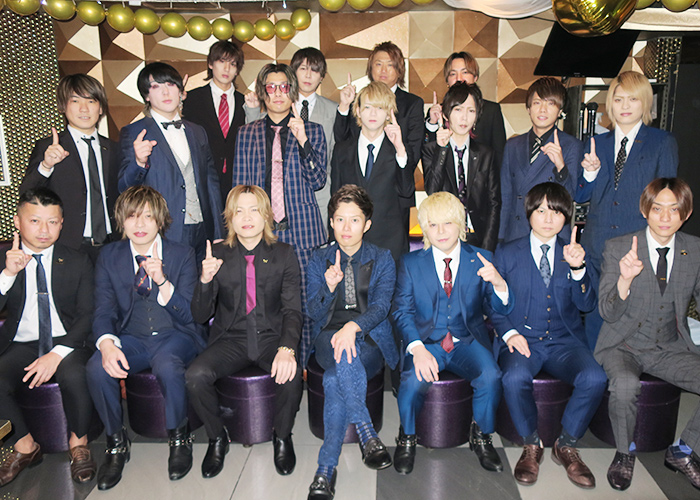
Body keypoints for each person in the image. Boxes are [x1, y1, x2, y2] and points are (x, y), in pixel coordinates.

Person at [86, 185, 205, 489]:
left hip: (176, 334)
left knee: (167, 363)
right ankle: (116, 443)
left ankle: (179, 438)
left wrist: (163, 281)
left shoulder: (181, 254)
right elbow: (103, 309)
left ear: (160, 220)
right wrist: (107, 344)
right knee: (97, 367)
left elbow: (191, 315)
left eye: (148, 217)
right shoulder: (109, 256)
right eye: (132, 216)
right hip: (133, 337)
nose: (139, 225)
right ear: (121, 220)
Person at [492, 182, 606, 488]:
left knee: (595, 377)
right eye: (541, 210)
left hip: (563, 340)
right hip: (523, 338)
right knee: (513, 378)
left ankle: (566, 443)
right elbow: (492, 304)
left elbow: (587, 304)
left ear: (565, 217)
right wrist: (509, 334)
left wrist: (579, 269)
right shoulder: (507, 252)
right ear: (529, 213)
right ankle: (532, 443)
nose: (548, 218)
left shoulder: (573, 252)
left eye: (556, 212)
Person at [186, 185, 303, 479]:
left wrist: (287, 348)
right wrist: (205, 280)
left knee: (291, 375)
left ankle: (282, 436)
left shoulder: (284, 254)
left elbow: (292, 310)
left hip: (270, 337)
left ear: (266, 216)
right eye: (239, 211)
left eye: (253, 210)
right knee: (195, 376)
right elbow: (200, 315)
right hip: (231, 339)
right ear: (230, 217)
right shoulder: (218, 254)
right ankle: (217, 437)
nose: (246, 217)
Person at [392, 191, 513, 475]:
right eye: (433, 224)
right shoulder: (410, 263)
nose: (441, 231)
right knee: (410, 382)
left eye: (448, 223)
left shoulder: (481, 259)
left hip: (466, 340)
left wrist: (499, 283)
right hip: (427, 341)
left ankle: (481, 435)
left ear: (461, 224)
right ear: (424, 228)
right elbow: (402, 312)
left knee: (491, 376)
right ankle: (407, 436)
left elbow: (497, 309)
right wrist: (417, 349)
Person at [596, 178, 700, 492]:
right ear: (645, 211)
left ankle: (684, 450)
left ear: (686, 213)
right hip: (623, 344)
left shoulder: (695, 250)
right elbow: (606, 312)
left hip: (669, 345)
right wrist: (624, 280)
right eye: (657, 209)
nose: (665, 217)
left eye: (674, 209)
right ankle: (624, 453)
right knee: (625, 385)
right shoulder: (619, 247)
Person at [305, 185, 399, 500]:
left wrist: (353, 327)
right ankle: (366, 432)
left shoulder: (382, 258)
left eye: (355, 220)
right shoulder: (318, 258)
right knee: (341, 351)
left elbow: (381, 307)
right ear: (331, 222)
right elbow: (313, 312)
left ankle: (325, 471)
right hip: (327, 338)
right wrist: (329, 287)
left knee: (335, 379)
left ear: (367, 224)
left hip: (369, 339)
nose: (346, 227)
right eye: (340, 219)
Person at [232, 63, 327, 364]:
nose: (277, 93)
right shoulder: (247, 133)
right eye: (270, 87)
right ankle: (276, 366)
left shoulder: (312, 130)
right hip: (262, 233)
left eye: (284, 87)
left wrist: (303, 141)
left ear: (292, 92)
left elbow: (318, 180)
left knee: (306, 304)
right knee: (266, 302)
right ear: (263, 92)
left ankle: (305, 367)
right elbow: (240, 188)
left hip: (303, 233)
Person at [0, 188, 95, 486]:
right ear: (18, 222)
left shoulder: (78, 260)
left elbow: (87, 315)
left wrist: (56, 354)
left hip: (67, 342)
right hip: (21, 342)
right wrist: (8, 274)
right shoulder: (3, 258)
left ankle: (79, 444)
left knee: (75, 375)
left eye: (52, 222)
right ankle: (25, 446)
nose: (44, 230)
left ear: (62, 223)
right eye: (35, 221)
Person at [576, 71, 678, 349]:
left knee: (633, 326)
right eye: (618, 99)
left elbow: (667, 201)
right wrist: (590, 174)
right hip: (597, 246)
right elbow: (580, 196)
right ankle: (595, 371)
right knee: (595, 319)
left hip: (637, 248)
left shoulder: (662, 142)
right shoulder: (596, 143)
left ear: (645, 103)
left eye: (633, 99)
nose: (624, 106)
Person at [118, 62, 223, 263]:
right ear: (146, 95)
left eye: (171, 84)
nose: (166, 92)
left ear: (180, 91)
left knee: (203, 282)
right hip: (162, 230)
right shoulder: (133, 132)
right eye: (156, 86)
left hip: (203, 229)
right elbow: (124, 188)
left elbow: (211, 183)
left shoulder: (197, 131)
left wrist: (218, 231)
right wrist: (139, 162)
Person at [20, 74, 119, 262]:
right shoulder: (49, 147)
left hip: (112, 246)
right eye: (75, 101)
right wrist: (46, 165)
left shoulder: (114, 148)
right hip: (69, 247)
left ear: (100, 108)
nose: (84, 108)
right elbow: (26, 193)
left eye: (91, 101)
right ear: (63, 106)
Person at [334, 41, 423, 233]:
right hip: (355, 206)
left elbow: (413, 153)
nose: (383, 70)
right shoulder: (358, 100)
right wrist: (344, 107)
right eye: (378, 64)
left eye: (390, 64)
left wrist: (398, 153)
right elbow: (342, 142)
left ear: (399, 70)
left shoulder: (412, 103)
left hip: (394, 200)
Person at [244, 47, 338, 225]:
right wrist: (253, 110)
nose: (308, 75)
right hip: (276, 200)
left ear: (322, 76)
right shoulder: (275, 106)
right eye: (303, 69)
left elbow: (335, 155)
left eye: (315, 70)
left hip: (318, 195)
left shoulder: (334, 110)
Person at [330, 81, 414, 261]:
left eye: (379, 108)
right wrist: (333, 241)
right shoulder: (342, 150)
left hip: (390, 244)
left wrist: (400, 151)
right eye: (367, 107)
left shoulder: (399, 149)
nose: (373, 113)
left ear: (389, 113)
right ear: (358, 111)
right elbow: (335, 198)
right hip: (350, 243)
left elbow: (407, 192)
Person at [499, 77, 582, 244]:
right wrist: (501, 238)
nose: (543, 110)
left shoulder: (571, 145)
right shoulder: (513, 145)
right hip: (516, 233)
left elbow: (572, 197)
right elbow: (505, 196)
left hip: (551, 234)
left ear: (560, 111)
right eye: (537, 103)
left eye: (550, 103)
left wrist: (560, 166)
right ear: (528, 108)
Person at [422, 81, 500, 252]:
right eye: (458, 110)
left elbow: (494, 204)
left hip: (477, 238)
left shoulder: (486, 154)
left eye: (471, 111)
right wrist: (442, 150)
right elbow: (432, 191)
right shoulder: (431, 150)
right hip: (444, 239)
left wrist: (487, 248)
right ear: (446, 114)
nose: (464, 117)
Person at [182, 41, 246, 205]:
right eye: (221, 61)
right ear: (211, 64)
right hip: (202, 180)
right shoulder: (191, 99)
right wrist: (177, 105)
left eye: (233, 64)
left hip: (236, 181)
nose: (227, 68)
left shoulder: (246, 103)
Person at [425, 51, 507, 167]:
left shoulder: (491, 110)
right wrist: (432, 124)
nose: (459, 78)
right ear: (447, 81)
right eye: (453, 74)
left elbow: (499, 155)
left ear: (475, 77)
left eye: (465, 72)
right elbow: (428, 156)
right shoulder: (438, 111)